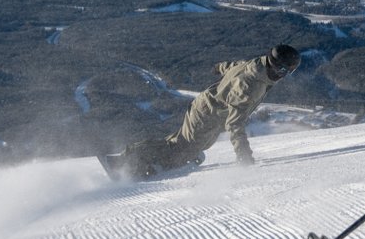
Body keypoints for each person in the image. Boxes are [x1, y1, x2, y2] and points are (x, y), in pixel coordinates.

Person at [115, 44, 302, 178]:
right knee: (182, 150)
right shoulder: (250, 85)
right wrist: (244, 157)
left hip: (209, 110)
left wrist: (219, 67)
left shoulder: (255, 66)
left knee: (185, 146)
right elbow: (234, 123)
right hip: (207, 115)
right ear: (279, 68)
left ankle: (146, 158)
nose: (286, 76)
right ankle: (128, 160)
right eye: (288, 71)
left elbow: (232, 65)